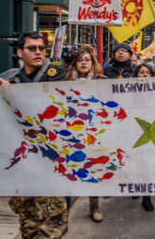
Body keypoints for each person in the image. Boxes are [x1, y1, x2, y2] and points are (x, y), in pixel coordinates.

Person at [0, 31, 68, 239]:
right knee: (28, 221)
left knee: (54, 223)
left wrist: (13, 92)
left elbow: (47, 108)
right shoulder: (8, 77)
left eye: (41, 48)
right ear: (20, 52)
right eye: (32, 48)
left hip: (49, 160)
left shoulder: (55, 73)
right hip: (21, 162)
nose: (38, 52)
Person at [66, 44, 106, 223]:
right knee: (68, 167)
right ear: (75, 63)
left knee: (92, 167)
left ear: (93, 63)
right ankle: (66, 208)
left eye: (87, 60)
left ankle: (94, 205)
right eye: (80, 60)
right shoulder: (64, 81)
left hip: (95, 130)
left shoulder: (102, 80)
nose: (83, 63)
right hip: (70, 130)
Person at [132, 63, 155, 212]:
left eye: (147, 72)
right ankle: (135, 187)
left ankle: (147, 198)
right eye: (141, 72)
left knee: (147, 165)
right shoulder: (129, 92)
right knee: (136, 163)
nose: (145, 75)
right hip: (134, 131)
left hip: (151, 132)